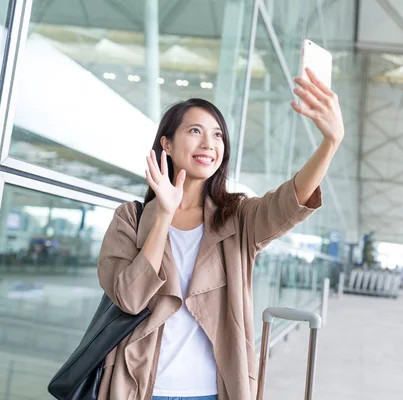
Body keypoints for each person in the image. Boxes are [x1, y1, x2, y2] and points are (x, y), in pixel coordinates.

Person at [96, 68, 344, 400]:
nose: (208, 144)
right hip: (140, 388)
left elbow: (291, 199)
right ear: (166, 144)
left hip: (213, 391)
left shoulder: (239, 218)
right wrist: (164, 215)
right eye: (195, 131)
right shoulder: (130, 218)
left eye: (217, 135)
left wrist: (330, 142)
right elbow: (130, 298)